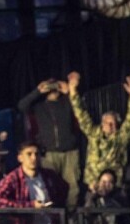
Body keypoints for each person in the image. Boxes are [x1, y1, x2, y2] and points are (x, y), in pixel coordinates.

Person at [17, 74, 82, 206]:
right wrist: (37, 91)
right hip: (48, 153)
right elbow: (21, 106)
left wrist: (70, 92)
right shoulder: (39, 106)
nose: (53, 89)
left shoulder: (67, 102)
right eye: (50, 86)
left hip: (70, 152)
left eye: (55, 85)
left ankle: (71, 220)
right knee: (49, 187)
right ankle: (54, 218)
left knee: (73, 188)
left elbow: (82, 109)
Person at [69, 71, 130, 191]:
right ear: (102, 124)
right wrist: (72, 91)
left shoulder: (121, 137)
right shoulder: (93, 133)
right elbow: (80, 113)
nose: (110, 126)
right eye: (107, 123)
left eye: (113, 123)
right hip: (93, 185)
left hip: (114, 186)